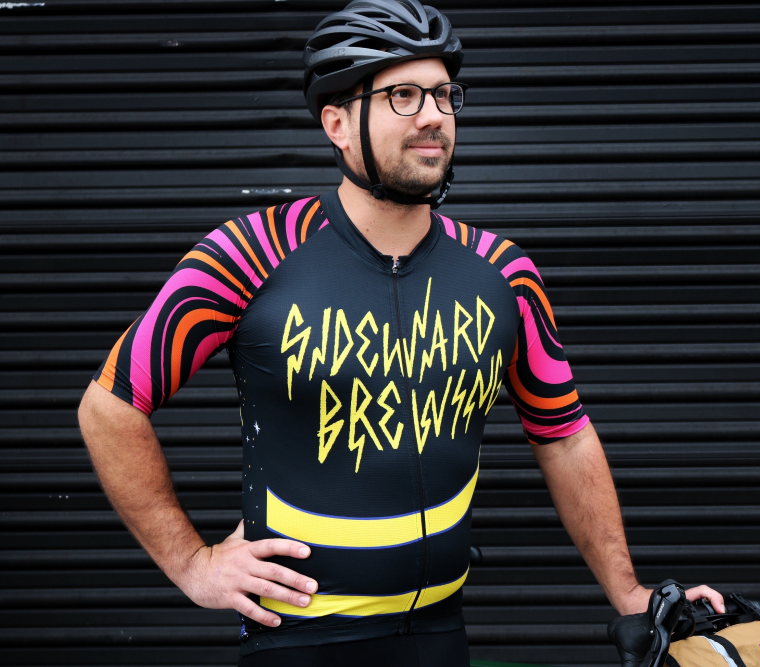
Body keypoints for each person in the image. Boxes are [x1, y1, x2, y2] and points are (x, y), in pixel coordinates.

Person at [76, 1, 725, 665]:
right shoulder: (249, 253)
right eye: (403, 95)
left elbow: (563, 434)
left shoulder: (504, 272)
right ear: (337, 123)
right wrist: (191, 561)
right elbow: (109, 405)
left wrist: (628, 592)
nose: (434, 115)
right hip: (301, 642)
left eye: (445, 95)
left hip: (441, 636)